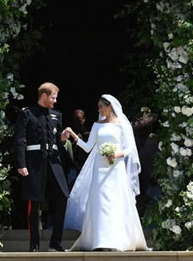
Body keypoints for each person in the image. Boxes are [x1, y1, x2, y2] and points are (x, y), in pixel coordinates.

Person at [62, 94, 148, 251]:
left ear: (110, 107)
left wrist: (116, 154)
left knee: (116, 201)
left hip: (116, 167)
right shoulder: (97, 125)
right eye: (99, 106)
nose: (99, 109)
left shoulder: (122, 125)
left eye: (102, 106)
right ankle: (100, 240)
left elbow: (130, 148)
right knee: (100, 202)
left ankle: (118, 240)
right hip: (99, 168)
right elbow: (88, 147)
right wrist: (74, 136)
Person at [14, 82, 70, 252]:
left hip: (53, 162)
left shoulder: (56, 115)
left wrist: (63, 139)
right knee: (34, 203)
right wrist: (21, 164)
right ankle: (34, 245)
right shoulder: (27, 113)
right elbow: (19, 140)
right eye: (53, 97)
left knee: (62, 197)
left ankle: (56, 242)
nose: (55, 101)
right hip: (35, 162)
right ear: (44, 96)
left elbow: (59, 144)